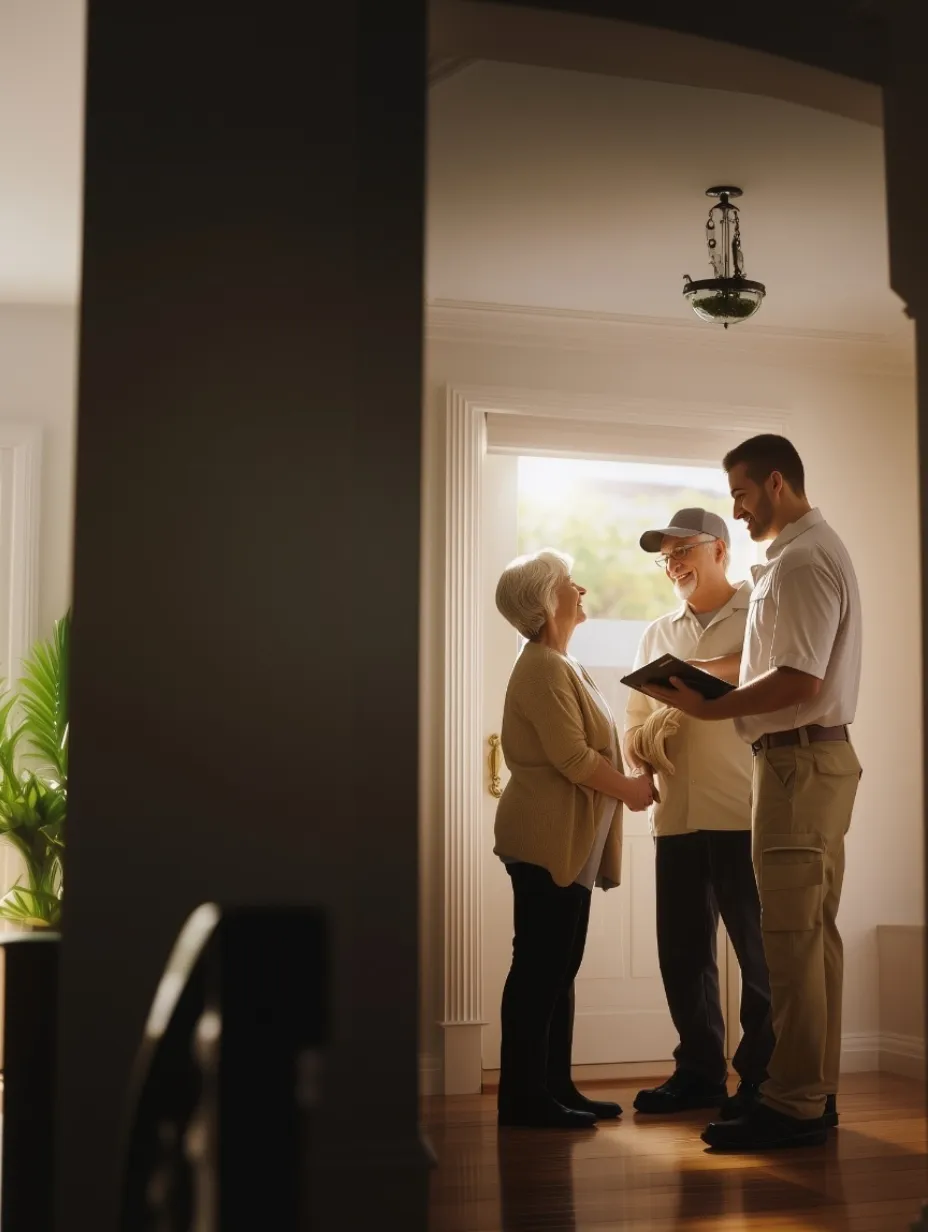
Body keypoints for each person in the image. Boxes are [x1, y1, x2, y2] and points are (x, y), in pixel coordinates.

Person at [644, 436, 861, 1151]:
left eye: (740, 492)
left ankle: (793, 1102)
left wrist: (708, 708)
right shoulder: (796, 559)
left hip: (798, 764)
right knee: (807, 941)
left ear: (776, 482)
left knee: (790, 944)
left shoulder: (801, 560)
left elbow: (800, 679)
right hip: (799, 764)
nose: (735, 508)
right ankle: (807, 1094)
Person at [493, 548, 654, 1129]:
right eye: (568, 582)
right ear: (544, 600)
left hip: (569, 842)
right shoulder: (540, 665)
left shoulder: (563, 663)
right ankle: (523, 1099)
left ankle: (552, 1087)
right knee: (540, 967)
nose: (580, 588)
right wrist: (631, 791)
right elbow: (572, 757)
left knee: (557, 967)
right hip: (543, 837)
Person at [624, 508, 774, 1118]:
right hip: (677, 818)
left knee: (759, 954)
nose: (673, 563)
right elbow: (634, 720)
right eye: (666, 557)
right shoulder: (656, 632)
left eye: (682, 549)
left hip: (744, 811)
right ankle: (699, 1074)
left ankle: (765, 1079)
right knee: (682, 953)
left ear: (719, 549)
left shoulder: (761, 614)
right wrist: (639, 758)